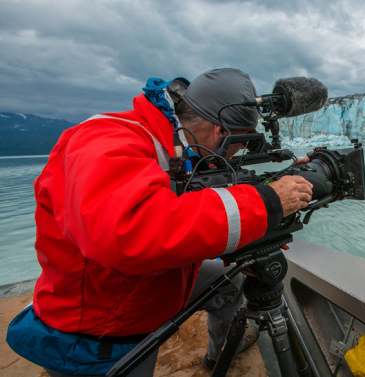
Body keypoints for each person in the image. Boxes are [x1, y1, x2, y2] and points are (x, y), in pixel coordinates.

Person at [6, 68, 313, 376]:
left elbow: (188, 205)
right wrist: (267, 202)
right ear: (220, 132)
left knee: (229, 281)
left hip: (140, 284)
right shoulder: (106, 140)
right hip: (102, 324)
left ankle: (218, 352)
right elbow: (129, 234)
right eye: (243, 143)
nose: (239, 153)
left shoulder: (176, 141)